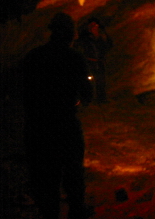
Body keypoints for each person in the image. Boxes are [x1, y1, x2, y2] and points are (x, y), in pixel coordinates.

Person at [22, 13, 93, 219]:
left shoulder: (33, 56)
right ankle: (76, 212)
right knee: (72, 174)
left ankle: (49, 213)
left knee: (45, 178)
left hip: (37, 126)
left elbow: (23, 92)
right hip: (64, 124)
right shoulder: (74, 58)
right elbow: (87, 94)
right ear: (71, 34)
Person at [74, 17, 113, 104]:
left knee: (101, 80)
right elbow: (78, 46)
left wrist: (105, 38)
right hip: (89, 62)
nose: (94, 27)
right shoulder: (85, 37)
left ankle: (101, 98)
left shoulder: (101, 37)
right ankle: (88, 98)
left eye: (95, 25)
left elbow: (109, 46)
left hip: (100, 62)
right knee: (89, 81)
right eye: (92, 25)